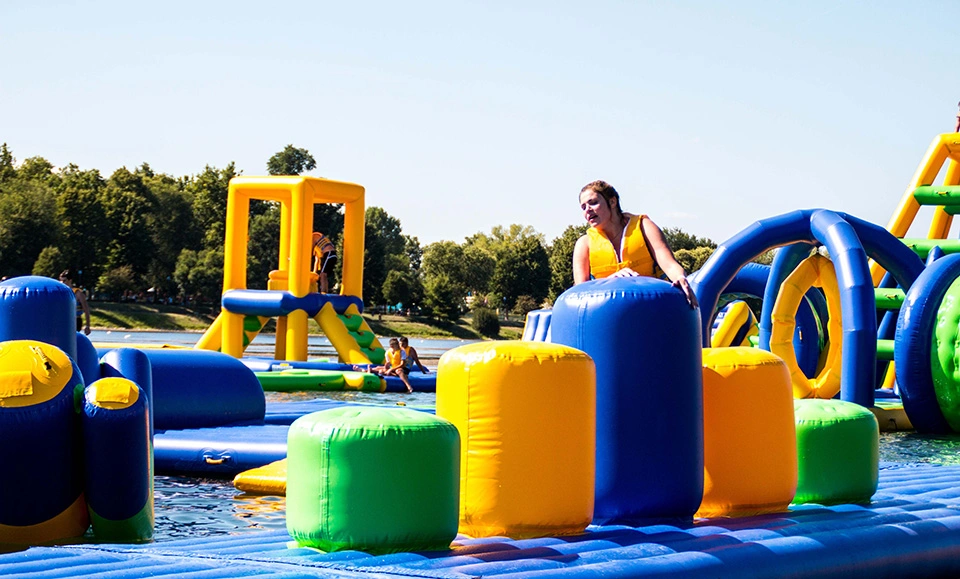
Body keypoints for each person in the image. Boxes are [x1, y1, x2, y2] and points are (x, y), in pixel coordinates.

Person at [572, 180, 698, 308]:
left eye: (593, 203)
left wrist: (681, 278)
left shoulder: (644, 227)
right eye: (583, 207)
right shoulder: (584, 244)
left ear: (612, 202)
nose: (587, 210)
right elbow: (580, 292)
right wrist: (610, 282)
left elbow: (670, 265)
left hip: (651, 307)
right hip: (607, 314)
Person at [59, 269, 92, 335]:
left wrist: (87, 325)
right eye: (60, 280)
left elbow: (86, 310)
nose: (62, 283)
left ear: (70, 280)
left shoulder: (78, 293)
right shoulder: (60, 292)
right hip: (64, 320)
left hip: (75, 320)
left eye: (64, 280)